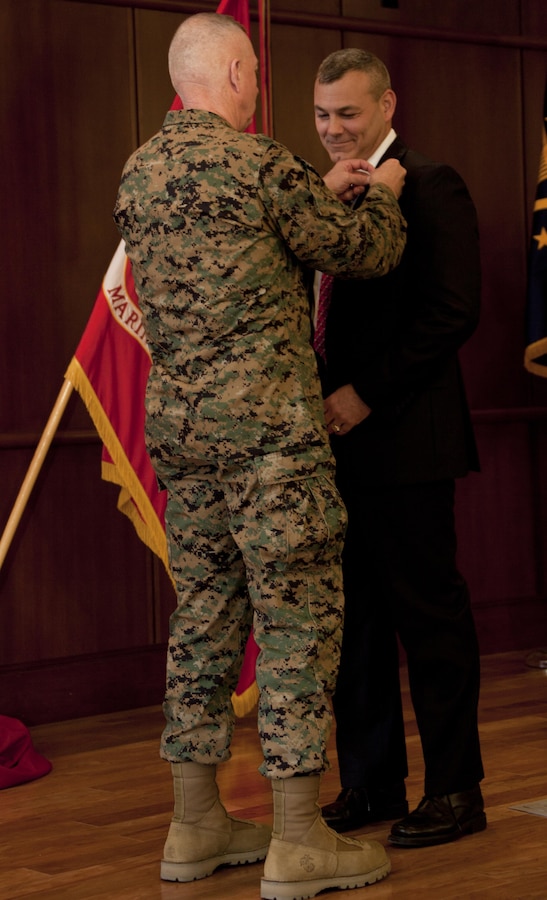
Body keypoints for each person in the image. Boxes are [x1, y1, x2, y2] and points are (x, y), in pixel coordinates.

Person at [113, 14, 407, 899]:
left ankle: (195, 824)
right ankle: (295, 838)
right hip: (271, 444)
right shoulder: (258, 163)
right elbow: (362, 250)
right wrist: (382, 191)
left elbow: (233, 247)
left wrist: (306, 192)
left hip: (184, 439)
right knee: (295, 622)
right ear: (237, 71)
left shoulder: (140, 170)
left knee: (202, 621)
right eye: (255, 74)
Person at [313, 48, 486, 848]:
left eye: (347, 113)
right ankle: (373, 781)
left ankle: (456, 792)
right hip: (334, 451)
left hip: (407, 442)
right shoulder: (323, 192)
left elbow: (450, 313)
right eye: (320, 115)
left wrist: (363, 394)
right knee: (356, 627)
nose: (333, 130)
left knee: (430, 623)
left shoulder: (430, 181)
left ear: (388, 104)